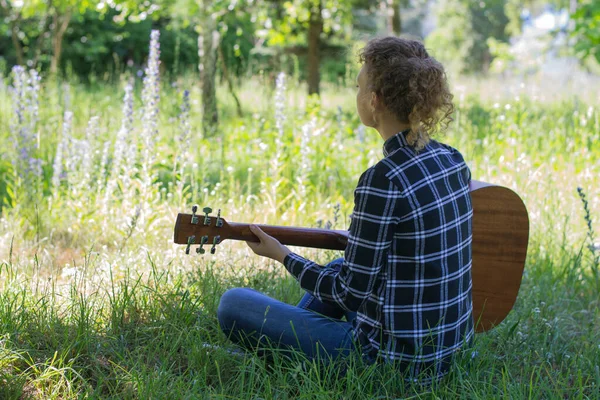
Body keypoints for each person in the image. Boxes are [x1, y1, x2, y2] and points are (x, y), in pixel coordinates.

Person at [217, 36, 473, 383]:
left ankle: (280, 349)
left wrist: (283, 256)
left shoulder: (383, 178)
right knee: (341, 264)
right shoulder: (451, 159)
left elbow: (349, 293)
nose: (357, 95)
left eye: (358, 86)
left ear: (374, 100)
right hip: (446, 353)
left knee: (233, 303)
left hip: (388, 365)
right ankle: (280, 348)